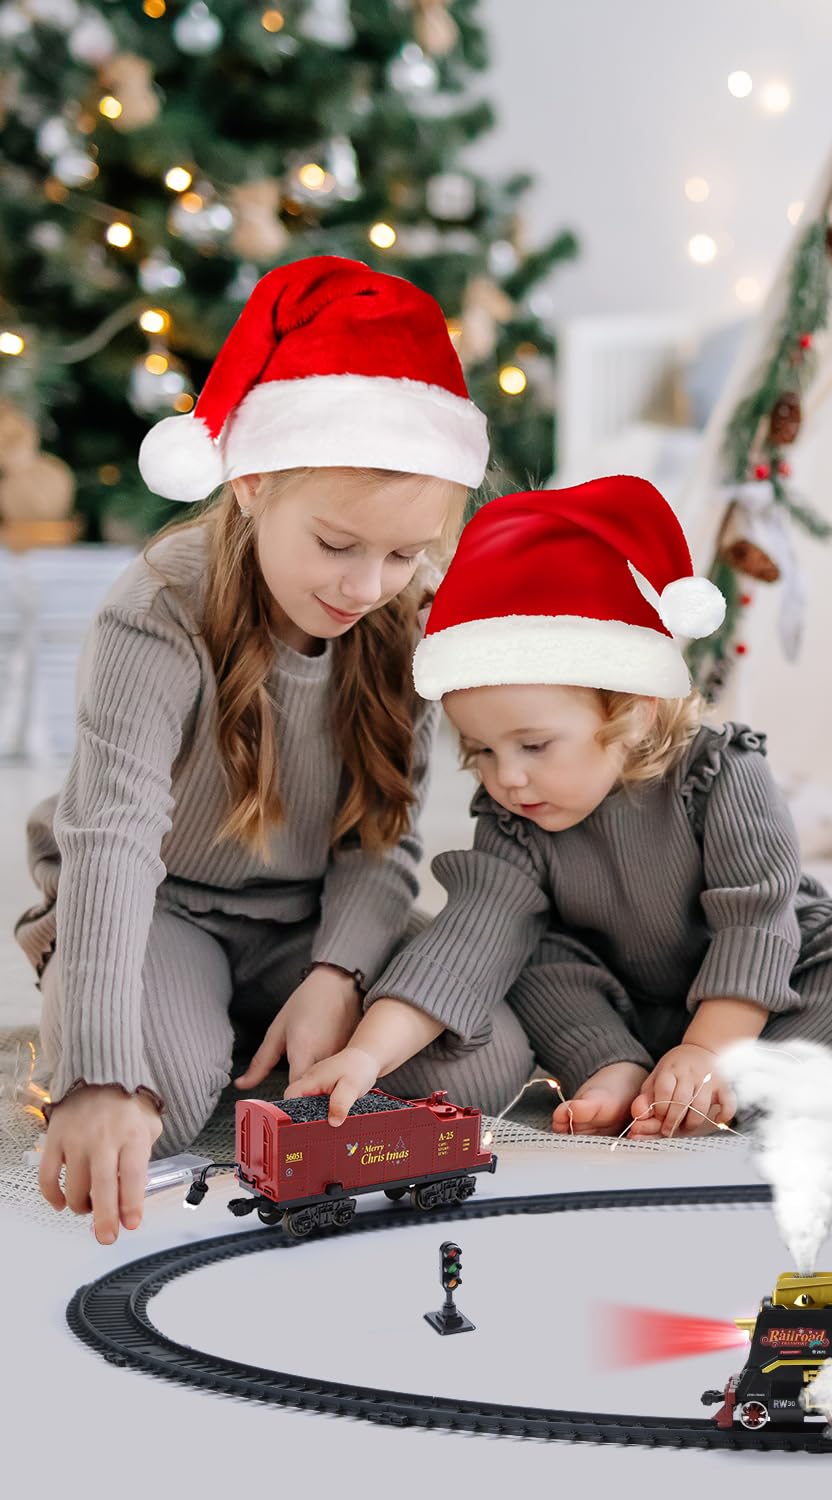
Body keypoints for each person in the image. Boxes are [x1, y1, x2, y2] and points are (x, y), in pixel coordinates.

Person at [21, 257, 486, 1243]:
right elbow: (112, 838)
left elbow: (384, 838)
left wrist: (339, 974)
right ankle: (146, 1020)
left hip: (304, 921)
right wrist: (102, 1074)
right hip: (166, 902)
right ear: (253, 481)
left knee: (472, 1063)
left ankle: (246, 1028)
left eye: (404, 555)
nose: (367, 584)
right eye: (337, 544)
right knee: (157, 1092)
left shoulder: (402, 621)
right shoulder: (157, 610)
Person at [286, 474, 832, 1137]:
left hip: (751, 995)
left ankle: (716, 1086)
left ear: (635, 712)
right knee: (520, 956)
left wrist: (708, 1051)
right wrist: (364, 1054)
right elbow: (467, 942)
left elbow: (756, 923)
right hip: (621, 1008)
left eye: (533, 745)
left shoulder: (720, 772)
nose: (506, 778)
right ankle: (619, 1070)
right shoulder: (514, 817)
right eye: (479, 752)